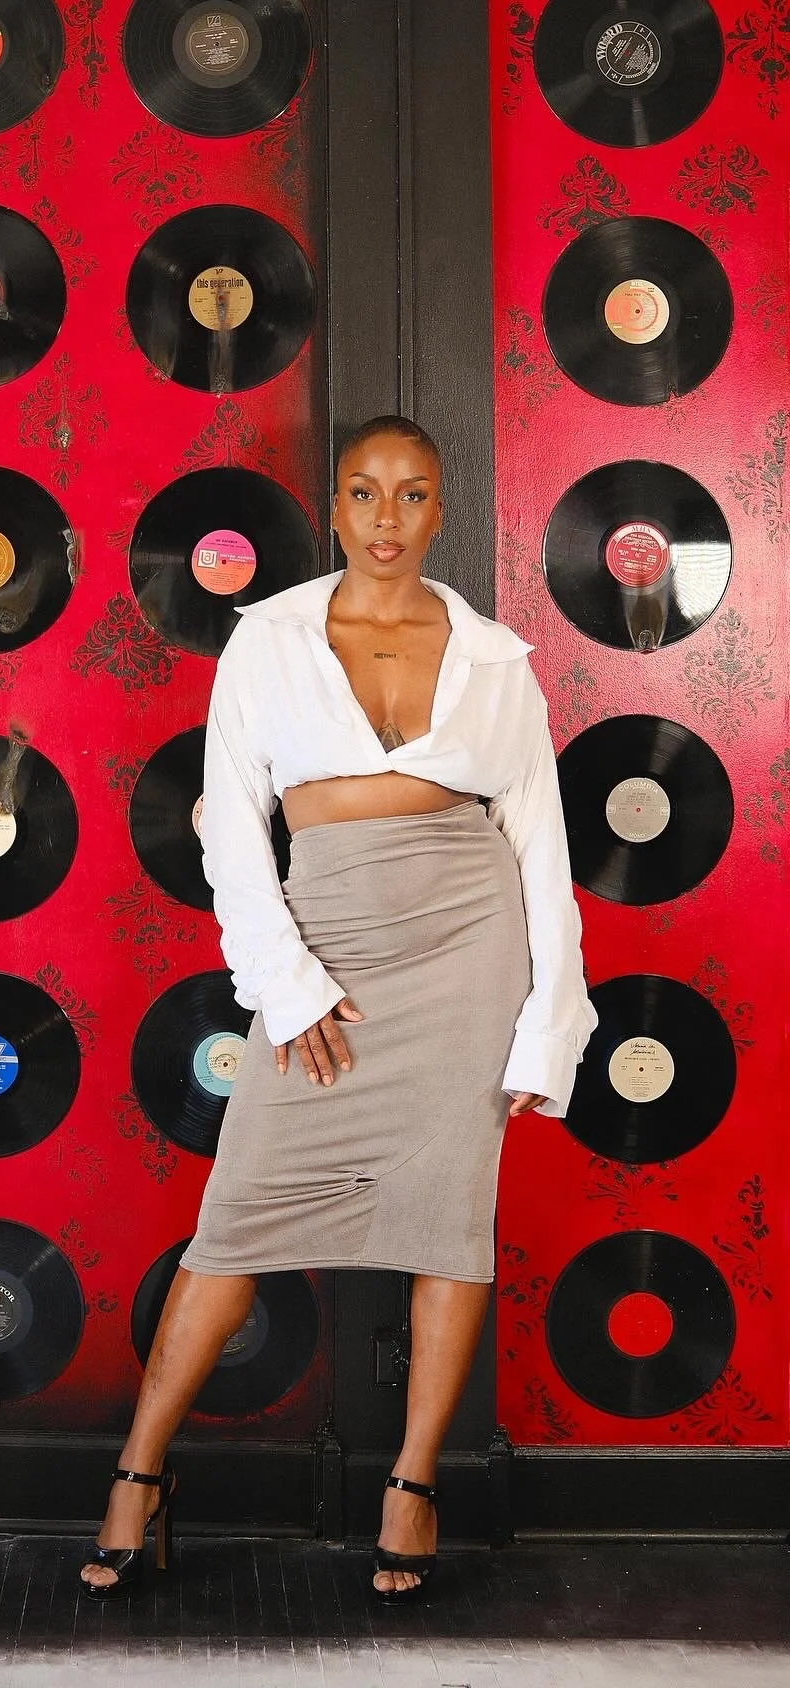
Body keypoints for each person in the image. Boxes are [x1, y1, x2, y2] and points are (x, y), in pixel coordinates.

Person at [81, 415, 596, 1604]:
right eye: (364, 492)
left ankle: (413, 1485)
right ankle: (140, 1474)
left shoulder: (495, 660)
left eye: (411, 494)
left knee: (449, 1219)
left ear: (438, 510)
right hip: (328, 943)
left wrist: (548, 1019)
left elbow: (540, 845)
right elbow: (231, 828)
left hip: (469, 948)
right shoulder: (267, 641)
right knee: (236, 1220)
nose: (385, 518)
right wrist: (287, 981)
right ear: (336, 506)